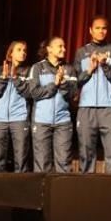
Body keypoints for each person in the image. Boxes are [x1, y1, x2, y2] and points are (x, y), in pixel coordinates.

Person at [73, 16, 111, 174]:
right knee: (86, 153)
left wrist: (105, 64)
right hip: (86, 108)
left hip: (110, 108)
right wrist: (90, 69)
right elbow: (76, 82)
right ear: (90, 30)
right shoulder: (81, 52)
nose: (101, 31)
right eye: (97, 28)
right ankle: (86, 191)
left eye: (104, 28)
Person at [28, 36, 77, 173]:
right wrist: (54, 84)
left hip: (63, 122)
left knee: (64, 164)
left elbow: (72, 95)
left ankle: (64, 193)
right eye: (60, 46)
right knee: (42, 165)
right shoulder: (37, 67)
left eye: (64, 46)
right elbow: (34, 93)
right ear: (49, 49)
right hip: (41, 121)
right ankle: (42, 194)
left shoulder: (69, 69)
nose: (64, 49)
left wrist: (62, 84)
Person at [0, 40, 31, 172]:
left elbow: (29, 93)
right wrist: (3, 77)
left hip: (20, 118)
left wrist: (15, 78)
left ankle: (21, 188)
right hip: (0, 119)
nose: (23, 53)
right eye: (19, 50)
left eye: (24, 50)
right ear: (11, 53)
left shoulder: (28, 71)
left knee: (21, 159)